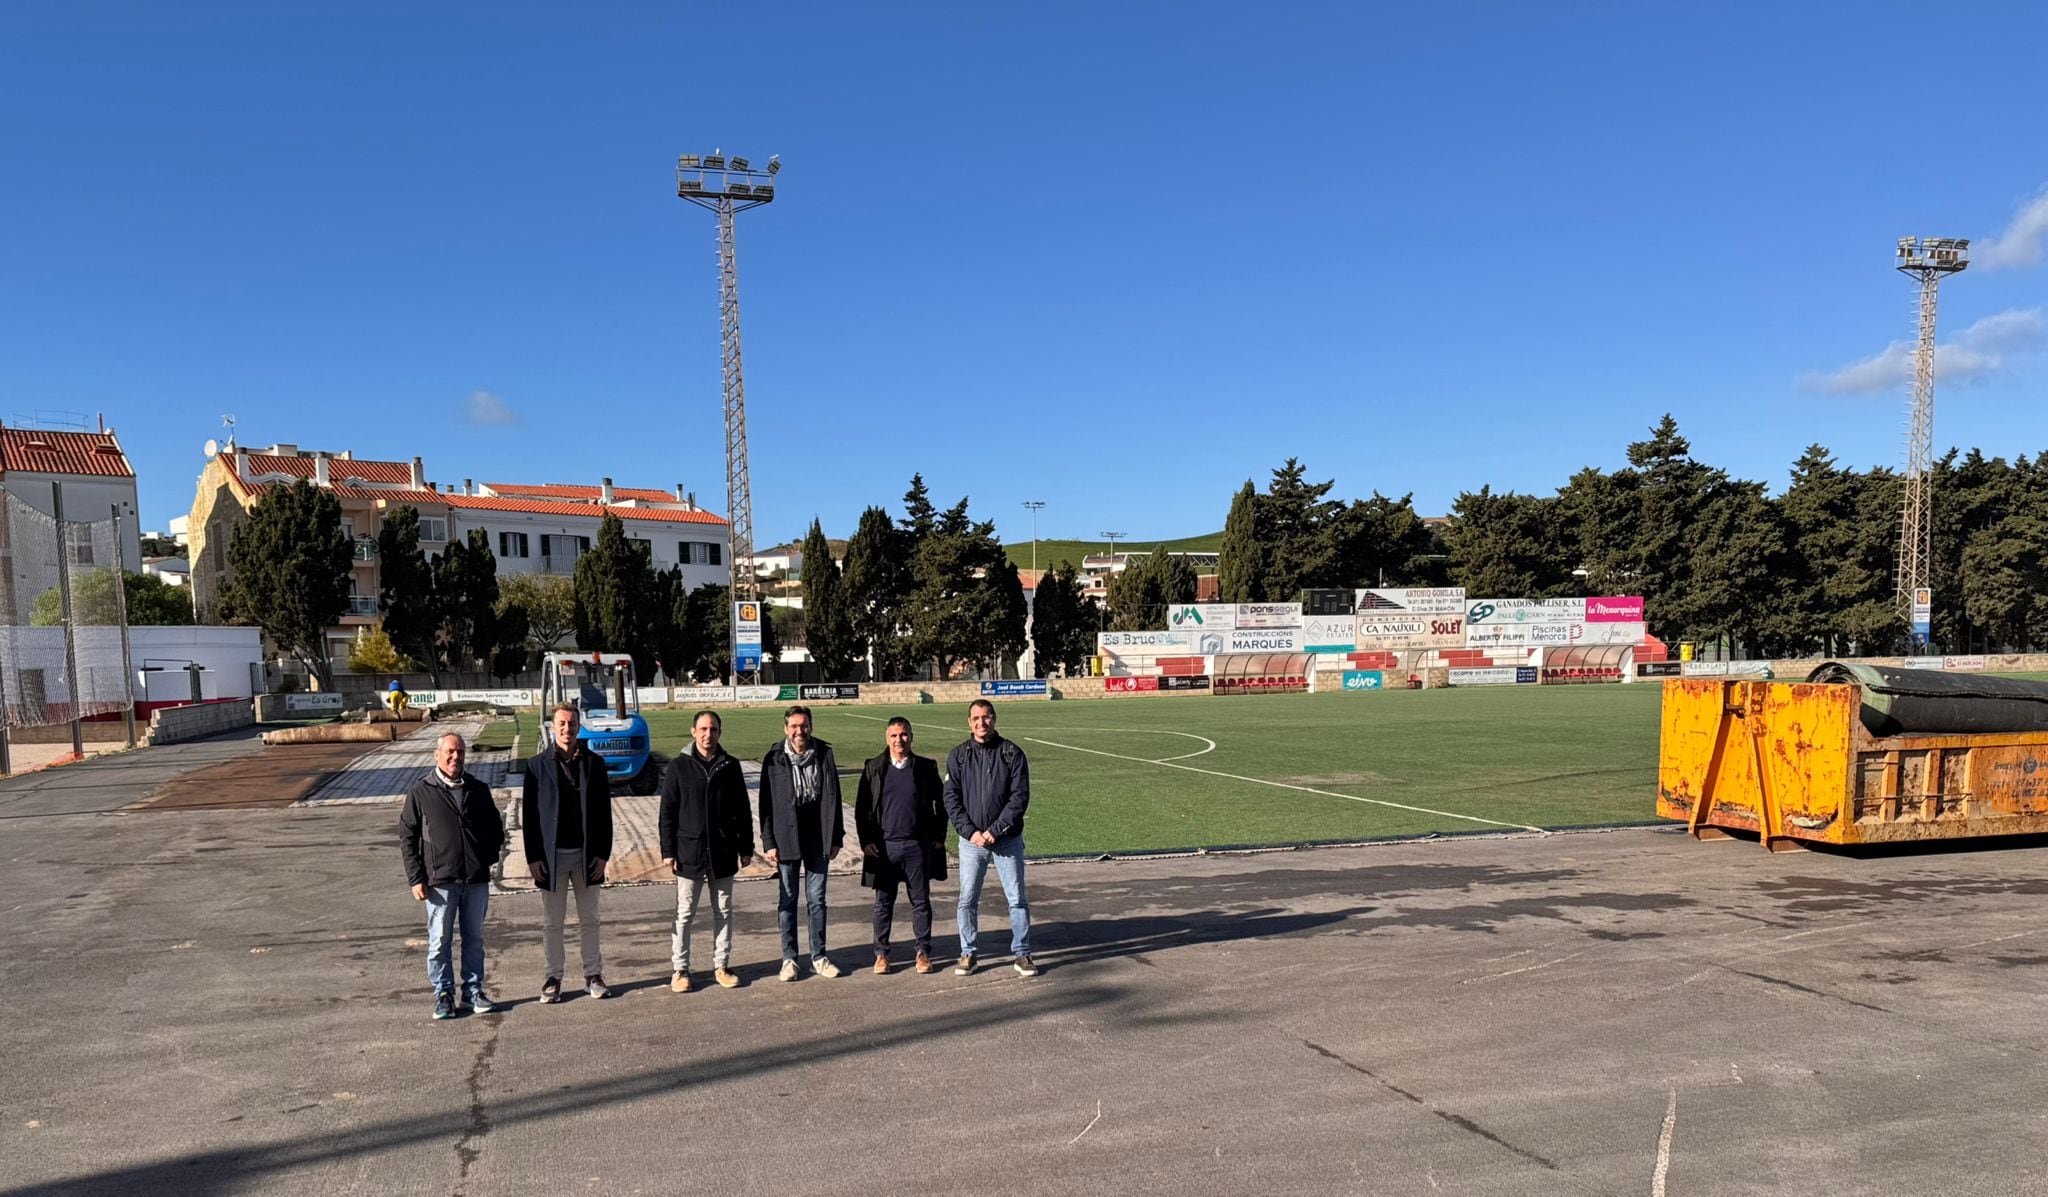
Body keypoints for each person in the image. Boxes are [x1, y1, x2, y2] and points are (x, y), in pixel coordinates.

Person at [398, 732, 505, 1019]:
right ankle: (443, 994)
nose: (455, 757)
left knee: (474, 939)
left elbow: (496, 828)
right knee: (440, 940)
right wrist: (415, 877)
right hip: (439, 883)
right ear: (437, 754)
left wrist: (487, 859)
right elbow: (407, 835)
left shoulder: (478, 789)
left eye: (459, 752)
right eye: (449, 752)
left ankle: (472, 991)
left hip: (475, 881)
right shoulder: (421, 792)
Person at [522, 702, 614, 1003]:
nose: (567, 728)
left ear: (579, 726)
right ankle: (553, 977)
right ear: (552, 727)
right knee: (553, 922)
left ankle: (593, 974)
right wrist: (533, 856)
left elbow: (604, 814)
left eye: (572, 723)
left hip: (587, 855)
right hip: (551, 857)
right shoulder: (536, 766)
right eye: (561, 723)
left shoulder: (595, 764)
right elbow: (530, 817)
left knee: (590, 919)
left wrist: (603, 854)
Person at [659, 710, 754, 993]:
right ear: (693, 732)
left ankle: (721, 966)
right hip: (689, 852)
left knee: (723, 911)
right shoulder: (679, 766)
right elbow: (667, 811)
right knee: (685, 913)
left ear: (719, 733)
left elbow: (743, 810)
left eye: (712, 729)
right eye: (703, 729)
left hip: (723, 853)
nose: (707, 734)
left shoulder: (731, 766)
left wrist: (745, 846)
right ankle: (680, 970)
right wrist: (668, 850)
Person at [943, 699, 1036, 977]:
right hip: (972, 842)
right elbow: (951, 798)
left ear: (994, 719)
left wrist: (995, 830)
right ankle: (968, 953)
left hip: (1006, 840)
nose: (981, 723)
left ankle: (1022, 953)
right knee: (968, 899)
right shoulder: (958, 756)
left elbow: (1019, 798)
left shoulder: (1011, 753)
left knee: (1017, 898)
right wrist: (971, 832)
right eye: (976, 718)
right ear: (968, 722)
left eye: (986, 717)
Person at [854, 716, 948, 975]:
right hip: (885, 849)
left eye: (904, 734)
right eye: (894, 735)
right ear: (887, 738)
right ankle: (881, 954)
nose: (899, 740)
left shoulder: (925, 767)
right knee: (883, 903)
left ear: (911, 737)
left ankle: (923, 952)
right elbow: (862, 809)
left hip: (917, 847)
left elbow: (941, 804)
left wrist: (938, 836)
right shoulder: (874, 767)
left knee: (920, 901)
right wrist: (866, 841)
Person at [758, 705, 847, 981]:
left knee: (817, 899)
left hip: (818, 836)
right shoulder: (773, 758)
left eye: (804, 725)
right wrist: (769, 840)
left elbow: (834, 796)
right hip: (786, 837)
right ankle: (789, 959)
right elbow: (765, 804)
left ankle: (818, 957)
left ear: (811, 726)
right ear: (786, 729)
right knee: (788, 899)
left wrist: (836, 837)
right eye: (794, 726)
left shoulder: (824, 753)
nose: (800, 731)